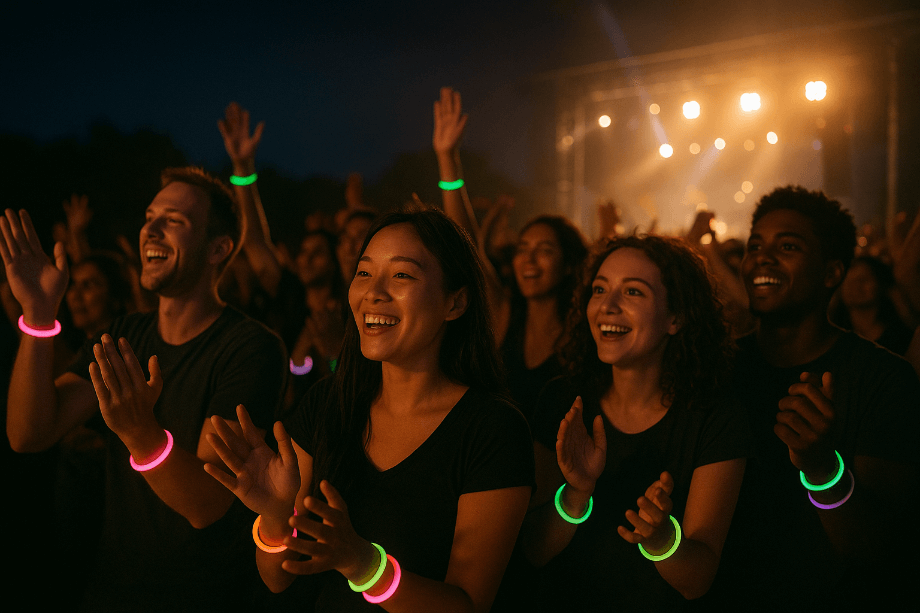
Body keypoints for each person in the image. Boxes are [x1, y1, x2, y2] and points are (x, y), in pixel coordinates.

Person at [204, 208, 534, 612]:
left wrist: (364, 565)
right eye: (363, 273)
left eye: (402, 275)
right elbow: (277, 576)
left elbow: (466, 604)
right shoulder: (329, 404)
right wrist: (275, 515)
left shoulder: (493, 429)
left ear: (456, 301)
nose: (373, 292)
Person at [2, 166, 288, 612]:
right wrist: (39, 315)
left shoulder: (251, 348)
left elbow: (207, 504)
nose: (150, 229)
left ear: (218, 249)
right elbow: (29, 432)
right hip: (109, 593)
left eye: (174, 220)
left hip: (201, 599)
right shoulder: (126, 334)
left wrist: (141, 434)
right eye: (150, 216)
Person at [706, 186, 920, 610]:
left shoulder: (883, 379)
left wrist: (824, 470)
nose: (762, 258)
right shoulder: (715, 370)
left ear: (831, 274)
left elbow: (885, 549)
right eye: (756, 245)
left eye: (787, 246)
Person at [522, 235, 748, 610]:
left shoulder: (715, 416)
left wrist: (662, 540)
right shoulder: (563, 400)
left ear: (676, 317)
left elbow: (697, 580)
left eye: (633, 293)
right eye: (599, 289)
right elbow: (533, 550)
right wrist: (575, 496)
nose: (607, 306)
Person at [433, 87, 587, 423]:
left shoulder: (586, 335)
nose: (529, 260)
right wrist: (449, 161)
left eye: (544, 250)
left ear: (569, 264)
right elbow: (467, 247)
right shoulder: (506, 317)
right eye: (523, 249)